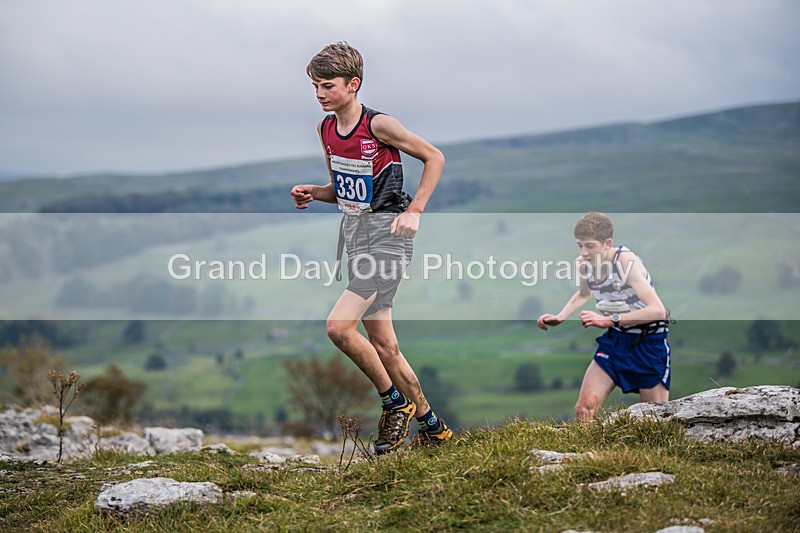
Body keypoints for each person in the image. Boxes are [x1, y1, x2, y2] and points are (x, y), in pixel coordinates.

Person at [290, 42, 452, 454]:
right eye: (315, 87)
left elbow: (434, 157)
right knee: (385, 346)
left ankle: (394, 402)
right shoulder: (326, 130)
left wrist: (415, 210)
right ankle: (434, 430)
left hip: (390, 240)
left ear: (353, 84)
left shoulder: (379, 125)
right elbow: (342, 191)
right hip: (357, 239)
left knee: (338, 327)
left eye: (327, 86)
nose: (319, 94)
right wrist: (315, 192)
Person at [537, 212, 671, 421]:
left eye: (590, 246)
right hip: (616, 340)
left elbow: (658, 311)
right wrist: (560, 316)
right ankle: (585, 454)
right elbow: (584, 293)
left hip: (648, 343)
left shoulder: (625, 262)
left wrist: (607, 320)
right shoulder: (583, 264)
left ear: (607, 243)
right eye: (579, 245)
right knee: (583, 409)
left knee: (652, 420)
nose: (583, 252)